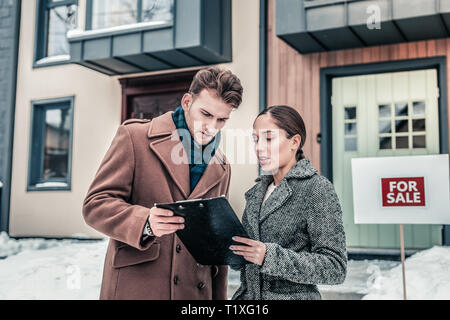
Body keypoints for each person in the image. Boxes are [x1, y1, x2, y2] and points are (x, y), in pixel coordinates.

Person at [82, 67, 243, 300]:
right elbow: (95, 205)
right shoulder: (134, 137)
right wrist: (145, 222)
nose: (212, 127)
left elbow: (216, 247)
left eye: (222, 120)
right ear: (187, 101)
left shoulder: (222, 166)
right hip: (138, 289)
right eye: (206, 114)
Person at [231, 105, 347, 300]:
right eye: (256, 139)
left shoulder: (316, 189)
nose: (259, 147)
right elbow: (248, 260)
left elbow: (335, 267)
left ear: (294, 142)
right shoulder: (256, 193)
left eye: (269, 138)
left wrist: (269, 257)